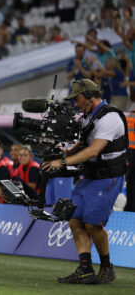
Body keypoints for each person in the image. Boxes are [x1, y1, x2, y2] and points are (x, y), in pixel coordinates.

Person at [42, 79, 127, 284]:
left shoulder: (110, 117)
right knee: (74, 219)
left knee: (92, 224)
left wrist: (62, 162)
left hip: (108, 177)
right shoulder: (90, 116)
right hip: (90, 176)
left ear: (90, 96)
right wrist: (68, 151)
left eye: (78, 99)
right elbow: (84, 144)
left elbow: (94, 149)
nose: (76, 104)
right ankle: (86, 269)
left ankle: (107, 268)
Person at [126, 108, 135, 212]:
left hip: (128, 151)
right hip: (133, 152)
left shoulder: (130, 115)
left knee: (130, 182)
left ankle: (129, 207)